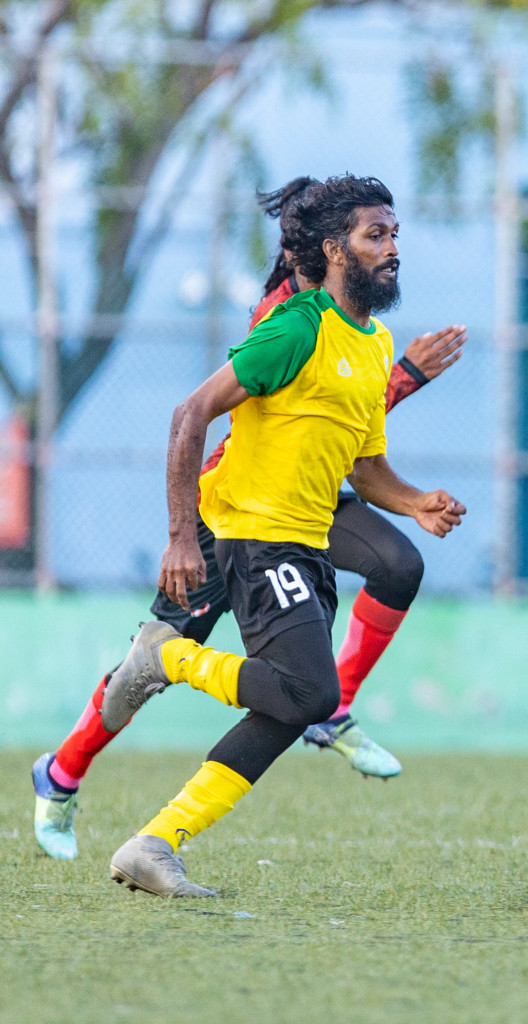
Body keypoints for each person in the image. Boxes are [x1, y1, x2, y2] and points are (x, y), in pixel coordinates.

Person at [29, 177, 464, 861]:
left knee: (397, 565)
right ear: (322, 249)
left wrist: (415, 500)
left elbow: (350, 429)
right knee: (148, 670)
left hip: (307, 505)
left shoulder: (369, 334)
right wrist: (180, 534)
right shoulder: (288, 317)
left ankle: (326, 709)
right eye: (374, 235)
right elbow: (211, 411)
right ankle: (62, 771)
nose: (391, 247)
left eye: (393, 234)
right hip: (235, 514)